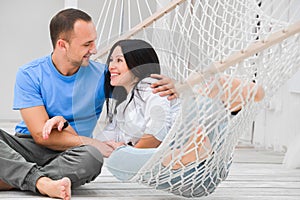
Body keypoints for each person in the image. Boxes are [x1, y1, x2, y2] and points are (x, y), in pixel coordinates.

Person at [44, 39, 265, 197]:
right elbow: (98, 145)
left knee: (121, 160)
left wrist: (133, 149)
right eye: (111, 60)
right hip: (193, 165)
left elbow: (158, 130)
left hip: (199, 133)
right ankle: (221, 104)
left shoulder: (152, 87)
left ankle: (224, 99)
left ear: (138, 64)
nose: (111, 66)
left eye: (119, 60)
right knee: (119, 160)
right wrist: (64, 124)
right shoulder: (123, 108)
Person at [0, 9, 175, 199]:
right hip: (27, 146)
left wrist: (172, 85)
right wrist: (93, 142)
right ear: (62, 45)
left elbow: (136, 84)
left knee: (92, 157)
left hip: (73, 155)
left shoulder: (102, 76)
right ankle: (41, 182)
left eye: (94, 41)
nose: (95, 49)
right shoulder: (29, 74)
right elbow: (41, 135)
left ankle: (15, 176)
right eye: (87, 44)